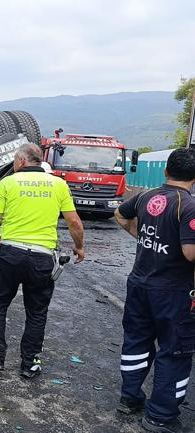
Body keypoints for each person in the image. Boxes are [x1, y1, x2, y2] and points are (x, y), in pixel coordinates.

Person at [0, 144, 85, 378]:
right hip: (42, 257)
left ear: (23, 161)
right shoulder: (58, 184)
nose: (14, 165)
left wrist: (11, 214)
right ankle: (30, 362)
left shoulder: (8, 183)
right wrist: (79, 247)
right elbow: (74, 222)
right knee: (36, 311)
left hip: (10, 254)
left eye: (15, 161)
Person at [114, 148, 195, 433]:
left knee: (136, 341)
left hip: (139, 284)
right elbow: (190, 252)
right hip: (173, 292)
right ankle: (161, 415)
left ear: (165, 171)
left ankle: (130, 398)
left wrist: (144, 239)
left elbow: (120, 215)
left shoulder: (146, 196)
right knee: (175, 351)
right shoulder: (189, 205)